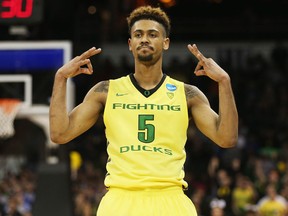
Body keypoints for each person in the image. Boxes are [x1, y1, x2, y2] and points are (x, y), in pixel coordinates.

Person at [49, 5, 238, 216]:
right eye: (138, 34)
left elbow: (227, 138)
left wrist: (224, 81)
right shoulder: (105, 91)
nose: (144, 39)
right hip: (120, 199)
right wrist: (60, 78)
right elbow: (60, 133)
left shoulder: (187, 94)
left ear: (165, 43)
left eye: (152, 34)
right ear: (130, 44)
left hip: (171, 198)